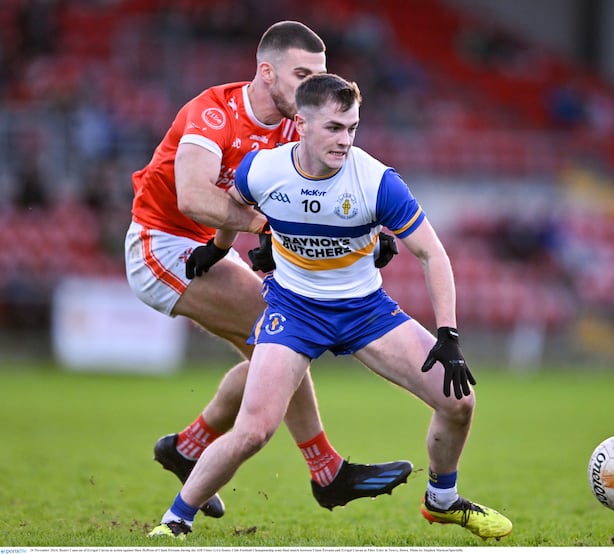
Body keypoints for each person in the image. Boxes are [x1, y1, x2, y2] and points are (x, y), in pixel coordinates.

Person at [148, 73, 512, 540]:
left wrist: (448, 334)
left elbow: (431, 252)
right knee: (255, 430)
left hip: (365, 311)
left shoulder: (377, 181)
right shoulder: (263, 169)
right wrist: (218, 249)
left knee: (459, 402)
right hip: (294, 310)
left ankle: (442, 500)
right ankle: (175, 521)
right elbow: (235, 205)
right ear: (300, 123)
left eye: (353, 128)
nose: (345, 140)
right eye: (334, 128)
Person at [125, 21, 409, 520]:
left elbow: (337, 194)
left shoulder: (300, 123)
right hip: (162, 244)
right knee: (283, 333)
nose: (312, 87)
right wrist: (267, 225)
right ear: (266, 73)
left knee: (271, 356)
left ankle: (189, 448)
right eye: (302, 74)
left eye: (319, 74)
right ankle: (325, 470)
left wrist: (373, 233)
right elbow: (193, 197)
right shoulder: (213, 112)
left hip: (212, 247)